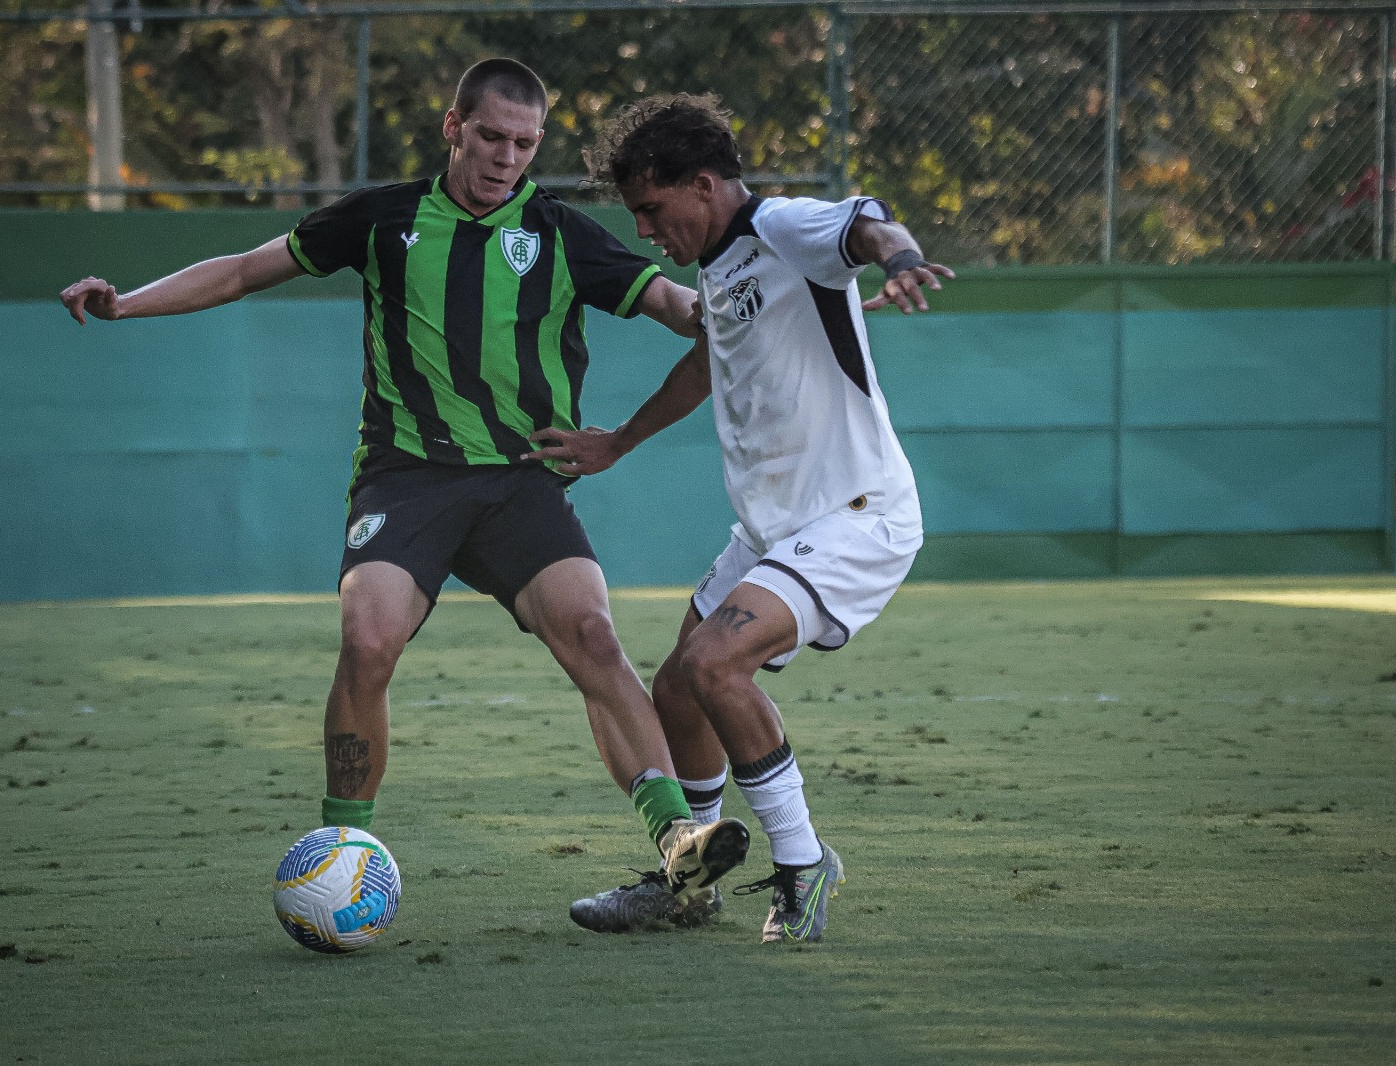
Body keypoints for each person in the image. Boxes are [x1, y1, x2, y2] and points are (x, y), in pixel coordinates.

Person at [59, 61, 749, 921]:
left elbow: (687, 308)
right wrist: (125, 304)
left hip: (521, 483)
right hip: (406, 477)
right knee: (367, 637)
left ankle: (677, 843)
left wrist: (780, 299)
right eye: (491, 136)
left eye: (525, 144)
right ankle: (344, 847)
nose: (506, 157)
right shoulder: (382, 217)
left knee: (594, 639)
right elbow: (242, 269)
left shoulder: (564, 234)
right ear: (453, 127)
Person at [527, 93, 954, 943]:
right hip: (774, 530)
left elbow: (866, 223)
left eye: (653, 207)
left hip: (856, 516)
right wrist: (620, 440)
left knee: (716, 662)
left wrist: (900, 256)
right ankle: (690, 881)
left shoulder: (781, 227)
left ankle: (801, 868)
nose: (648, 230)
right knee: (677, 689)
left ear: (706, 184)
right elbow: (705, 363)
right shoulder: (721, 271)